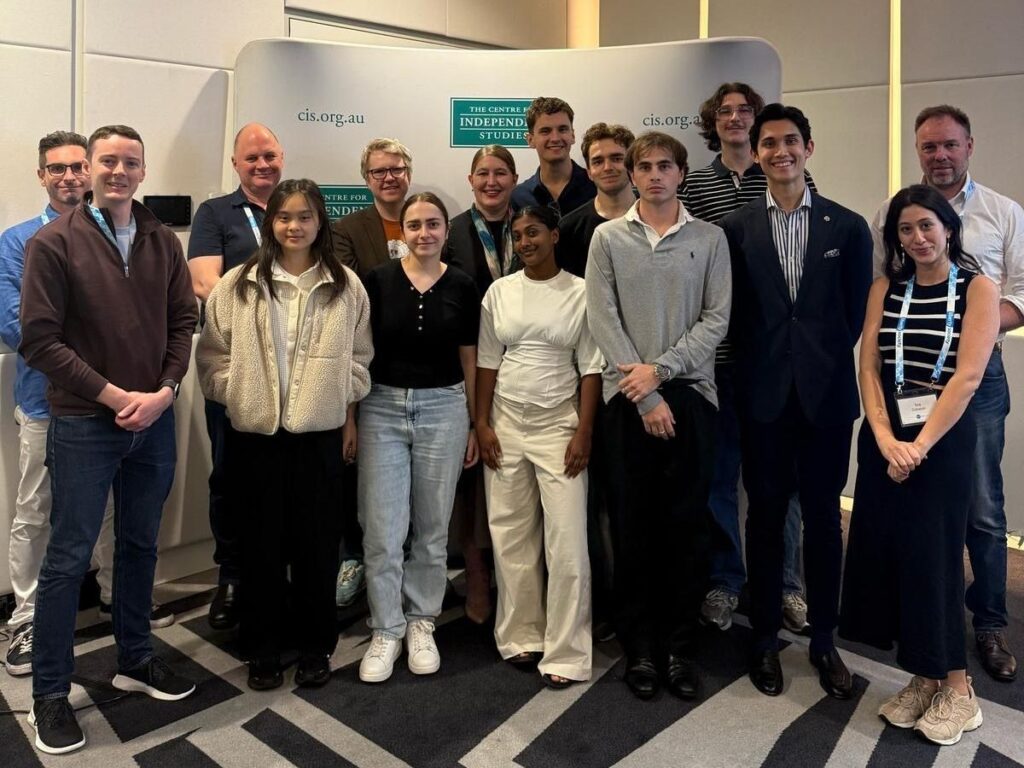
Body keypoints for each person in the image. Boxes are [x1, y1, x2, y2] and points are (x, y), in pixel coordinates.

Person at [20, 125, 199, 755]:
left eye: (131, 162)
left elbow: (184, 321)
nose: (119, 171)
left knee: (140, 545)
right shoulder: (52, 244)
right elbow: (40, 341)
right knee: (68, 558)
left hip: (155, 419)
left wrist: (166, 390)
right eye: (108, 161)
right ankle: (48, 692)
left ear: (143, 171)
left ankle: (135, 658)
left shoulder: (161, 240)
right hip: (84, 424)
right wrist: (115, 396)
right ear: (90, 169)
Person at [721, 104, 871, 700]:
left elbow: (855, 314)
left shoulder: (847, 226)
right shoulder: (735, 228)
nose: (780, 151)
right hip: (761, 398)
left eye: (790, 141)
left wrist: (815, 362)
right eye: (768, 143)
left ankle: (825, 641)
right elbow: (732, 314)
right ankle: (762, 638)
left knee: (824, 521)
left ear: (809, 147)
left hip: (826, 399)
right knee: (763, 517)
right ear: (756, 153)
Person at [197, 179, 372, 691]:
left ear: (320, 222)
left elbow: (361, 357)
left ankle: (316, 647)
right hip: (255, 437)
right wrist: (239, 394)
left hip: (318, 437)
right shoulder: (238, 284)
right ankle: (263, 648)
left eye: (305, 216)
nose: (294, 226)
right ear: (271, 221)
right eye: (284, 217)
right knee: (260, 549)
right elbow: (212, 356)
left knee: (317, 547)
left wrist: (337, 394)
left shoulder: (346, 286)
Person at [870, 105, 1023, 683]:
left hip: (976, 382)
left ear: (969, 146)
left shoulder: (1003, 213)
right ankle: (922, 625)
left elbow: (1023, 294)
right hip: (907, 383)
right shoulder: (891, 212)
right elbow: (883, 288)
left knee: (981, 507)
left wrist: (969, 332)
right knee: (917, 505)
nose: (939, 155)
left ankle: (989, 622)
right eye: (929, 146)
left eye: (950, 145)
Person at [842, 185, 998, 746]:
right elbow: (868, 367)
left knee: (936, 559)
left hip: (942, 440)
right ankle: (925, 675)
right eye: (905, 230)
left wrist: (919, 446)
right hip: (888, 437)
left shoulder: (978, 288)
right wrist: (886, 438)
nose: (917, 238)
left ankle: (959, 689)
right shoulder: (885, 288)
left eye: (927, 226)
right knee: (895, 557)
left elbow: (968, 377)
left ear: (948, 228)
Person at [586, 131, 731, 701]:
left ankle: (678, 647)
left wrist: (662, 373)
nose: (653, 175)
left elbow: (716, 319)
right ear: (632, 174)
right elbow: (602, 317)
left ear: (681, 173)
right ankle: (640, 647)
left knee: (686, 528)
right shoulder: (607, 238)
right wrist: (644, 394)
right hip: (627, 402)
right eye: (643, 166)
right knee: (632, 526)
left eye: (664, 166)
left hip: (690, 397)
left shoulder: (710, 238)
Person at [682, 84, 814, 634]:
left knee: (782, 479)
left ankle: (786, 584)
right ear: (713, 121)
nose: (734, 118)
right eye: (725, 111)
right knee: (719, 477)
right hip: (715, 359)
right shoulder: (693, 185)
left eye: (744, 111)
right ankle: (725, 581)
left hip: (773, 359)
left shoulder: (787, 176)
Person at [476, 205, 603, 688]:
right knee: (511, 534)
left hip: (559, 427)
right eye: (518, 235)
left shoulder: (581, 292)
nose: (526, 242)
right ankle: (521, 635)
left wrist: (584, 431)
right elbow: (488, 361)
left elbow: (591, 366)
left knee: (567, 541)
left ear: (554, 235)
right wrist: (482, 424)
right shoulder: (499, 292)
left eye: (534, 232)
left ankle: (567, 652)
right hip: (505, 423)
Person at [358, 192, 480, 683]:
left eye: (433, 224)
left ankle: (421, 620)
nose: (424, 233)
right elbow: (360, 353)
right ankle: (386, 627)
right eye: (414, 225)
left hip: (445, 409)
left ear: (446, 231)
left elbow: (470, 357)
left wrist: (475, 422)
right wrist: (349, 420)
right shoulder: (377, 280)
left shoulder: (464, 285)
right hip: (381, 408)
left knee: (431, 528)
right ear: (402, 231)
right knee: (382, 530)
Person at [187, 122, 284, 630]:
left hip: (294, 368)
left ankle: (281, 573)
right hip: (236, 365)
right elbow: (205, 283)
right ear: (235, 164)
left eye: (269, 155)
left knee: (287, 474)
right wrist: (274, 305)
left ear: (282, 157)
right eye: (252, 158)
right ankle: (232, 575)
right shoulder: (215, 213)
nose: (262, 165)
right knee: (230, 474)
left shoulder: (297, 206)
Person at [554, 121, 635, 643]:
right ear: (588, 167)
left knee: (638, 501)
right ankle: (605, 605)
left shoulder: (654, 216)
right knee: (595, 501)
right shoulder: (573, 227)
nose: (608, 167)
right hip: (590, 380)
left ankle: (644, 603)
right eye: (598, 160)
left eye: (617, 158)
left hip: (649, 377)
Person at [444, 144, 520, 624]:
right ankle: (476, 576)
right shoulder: (451, 232)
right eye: (483, 174)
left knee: (517, 475)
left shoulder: (531, 225)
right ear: (470, 180)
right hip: (470, 364)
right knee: (473, 479)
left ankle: (518, 583)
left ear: (515, 179)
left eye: (501, 173)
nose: (492, 182)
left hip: (528, 366)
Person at [331, 137, 413, 279]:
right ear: (367, 180)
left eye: (397, 169)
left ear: (409, 175)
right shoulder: (346, 230)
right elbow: (351, 286)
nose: (389, 178)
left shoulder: (432, 223)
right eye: (379, 172)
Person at [510, 97, 596, 215]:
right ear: (530, 140)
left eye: (562, 129)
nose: (555, 138)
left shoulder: (596, 186)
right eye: (545, 131)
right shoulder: (519, 196)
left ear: (573, 136)